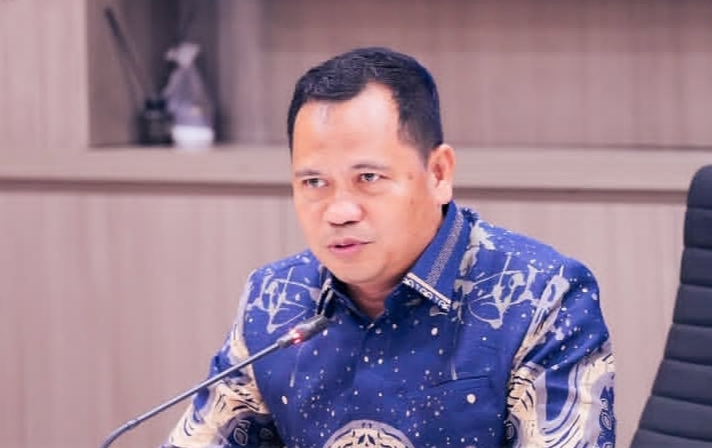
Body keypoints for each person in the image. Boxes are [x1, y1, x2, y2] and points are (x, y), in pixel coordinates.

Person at [162, 47, 616, 448]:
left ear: (438, 173)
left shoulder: (539, 298)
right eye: (314, 182)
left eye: (368, 178)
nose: (339, 211)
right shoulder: (274, 299)